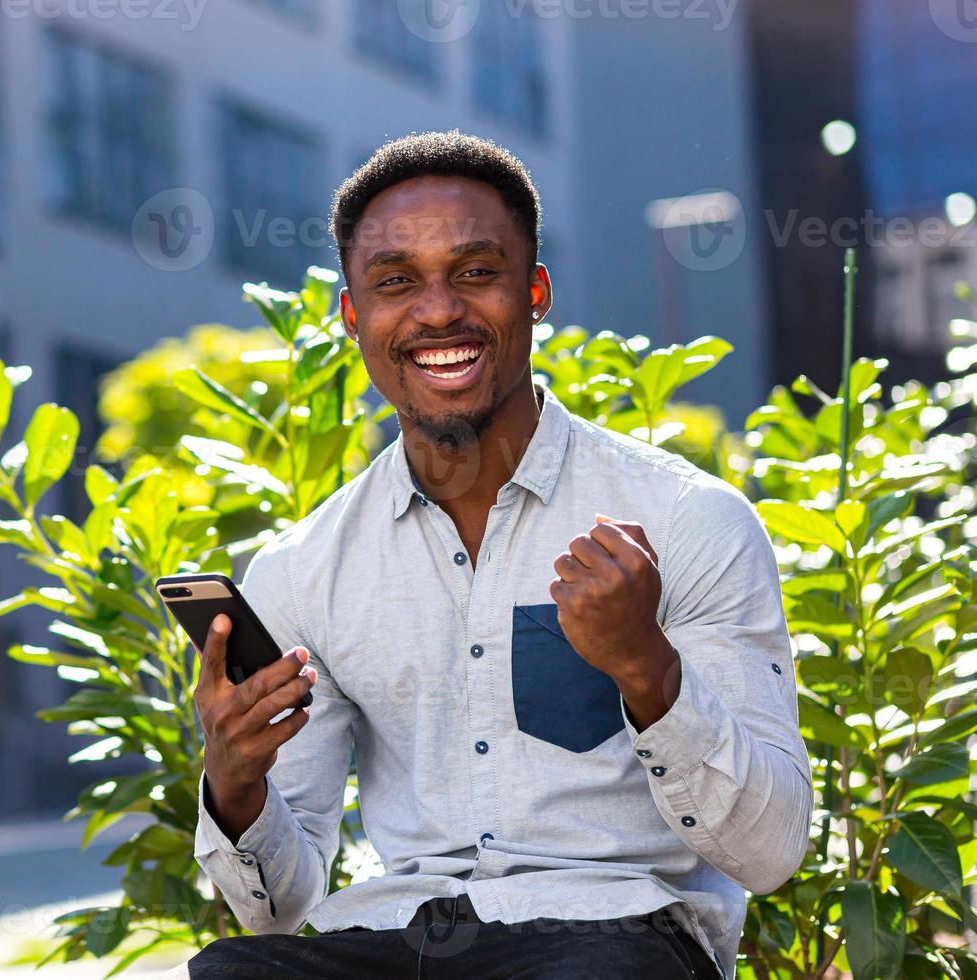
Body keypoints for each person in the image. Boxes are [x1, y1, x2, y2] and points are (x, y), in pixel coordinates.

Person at [175, 131, 811, 979]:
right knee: (229, 972)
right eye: (396, 282)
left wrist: (649, 670)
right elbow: (280, 903)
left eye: (476, 272)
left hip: (615, 935)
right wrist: (235, 783)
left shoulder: (688, 522)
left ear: (535, 291)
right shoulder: (304, 568)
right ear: (354, 316)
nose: (438, 311)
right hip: (400, 940)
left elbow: (769, 854)